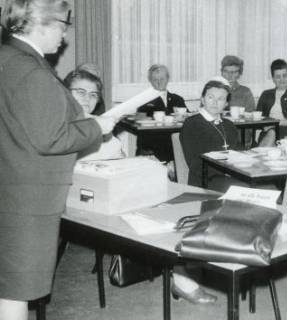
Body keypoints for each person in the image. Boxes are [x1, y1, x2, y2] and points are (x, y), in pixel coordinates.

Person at [0, 2, 115, 319]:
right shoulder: (32, 71)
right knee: (17, 291)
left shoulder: (7, 58)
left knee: (7, 286)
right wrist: (96, 127)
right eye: (64, 25)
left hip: (9, 185)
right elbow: (50, 137)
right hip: (29, 199)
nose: (65, 35)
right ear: (41, 22)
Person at [180, 79, 241, 191]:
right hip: (204, 182)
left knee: (268, 187)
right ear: (203, 100)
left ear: (226, 104)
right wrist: (228, 171)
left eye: (220, 99)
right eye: (210, 97)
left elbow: (239, 153)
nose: (215, 102)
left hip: (229, 178)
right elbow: (195, 164)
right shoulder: (192, 124)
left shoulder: (229, 125)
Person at [65, 69, 126, 161]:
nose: (87, 98)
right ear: (66, 94)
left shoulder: (100, 122)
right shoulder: (57, 124)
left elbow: (118, 154)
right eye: (81, 92)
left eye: (93, 95)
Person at [136, 64, 187, 162]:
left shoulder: (178, 99)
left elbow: (188, 120)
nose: (159, 82)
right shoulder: (144, 100)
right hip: (152, 148)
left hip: (176, 147)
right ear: (150, 81)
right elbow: (139, 122)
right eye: (155, 80)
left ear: (168, 79)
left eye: (162, 79)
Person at [256, 59, 287, 145]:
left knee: (272, 132)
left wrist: (277, 124)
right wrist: (259, 131)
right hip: (268, 130)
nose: (282, 79)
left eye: (284, 75)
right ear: (273, 79)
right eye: (278, 77)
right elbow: (258, 116)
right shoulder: (266, 94)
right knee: (270, 133)